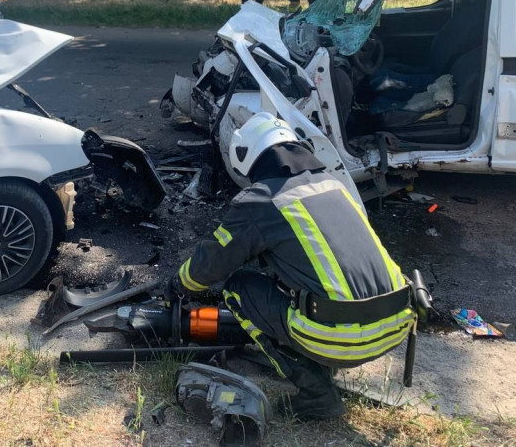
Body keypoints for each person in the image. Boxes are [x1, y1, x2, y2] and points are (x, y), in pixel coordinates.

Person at [166, 112, 416, 420]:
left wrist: (180, 284)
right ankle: (323, 354)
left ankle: (317, 393)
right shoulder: (333, 185)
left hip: (343, 338)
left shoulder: (261, 199)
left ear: (249, 158)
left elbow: (214, 262)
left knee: (239, 288)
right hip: (395, 326)